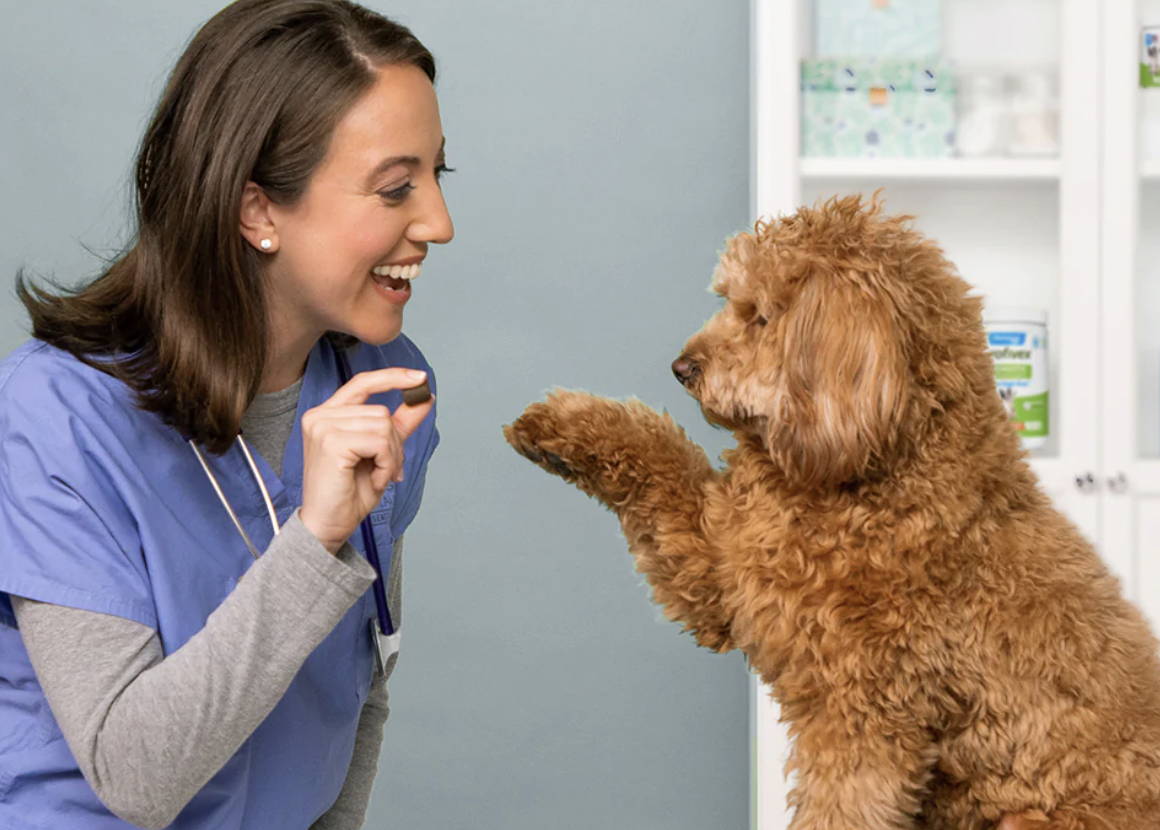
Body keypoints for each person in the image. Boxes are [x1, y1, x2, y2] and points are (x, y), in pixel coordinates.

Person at [0, 1, 451, 827]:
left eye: (436, 177)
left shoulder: (386, 382)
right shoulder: (55, 417)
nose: (438, 224)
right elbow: (131, 770)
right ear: (257, 211)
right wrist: (313, 542)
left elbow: (362, 686)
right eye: (396, 188)